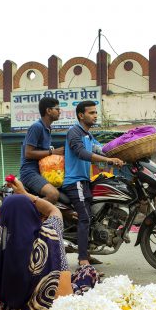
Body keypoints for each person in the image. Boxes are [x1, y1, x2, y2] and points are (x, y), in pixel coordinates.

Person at [0, 178, 98, 310]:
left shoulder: (2, 248)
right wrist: (26, 195)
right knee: (86, 272)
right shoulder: (49, 235)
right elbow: (54, 210)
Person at [61, 101, 125, 266]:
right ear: (81, 115)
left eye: (96, 112)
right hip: (75, 182)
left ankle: (87, 253)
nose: (95, 115)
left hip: (85, 181)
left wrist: (120, 153)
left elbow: (100, 149)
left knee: (93, 217)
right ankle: (83, 259)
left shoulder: (88, 135)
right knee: (85, 218)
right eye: (91, 113)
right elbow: (81, 153)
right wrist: (108, 160)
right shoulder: (74, 132)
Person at [20, 97, 65, 203]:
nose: (60, 112)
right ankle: (28, 215)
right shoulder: (37, 127)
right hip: (29, 172)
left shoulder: (48, 129)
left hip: (42, 171)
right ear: (48, 111)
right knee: (53, 194)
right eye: (57, 109)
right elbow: (28, 153)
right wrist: (53, 152)